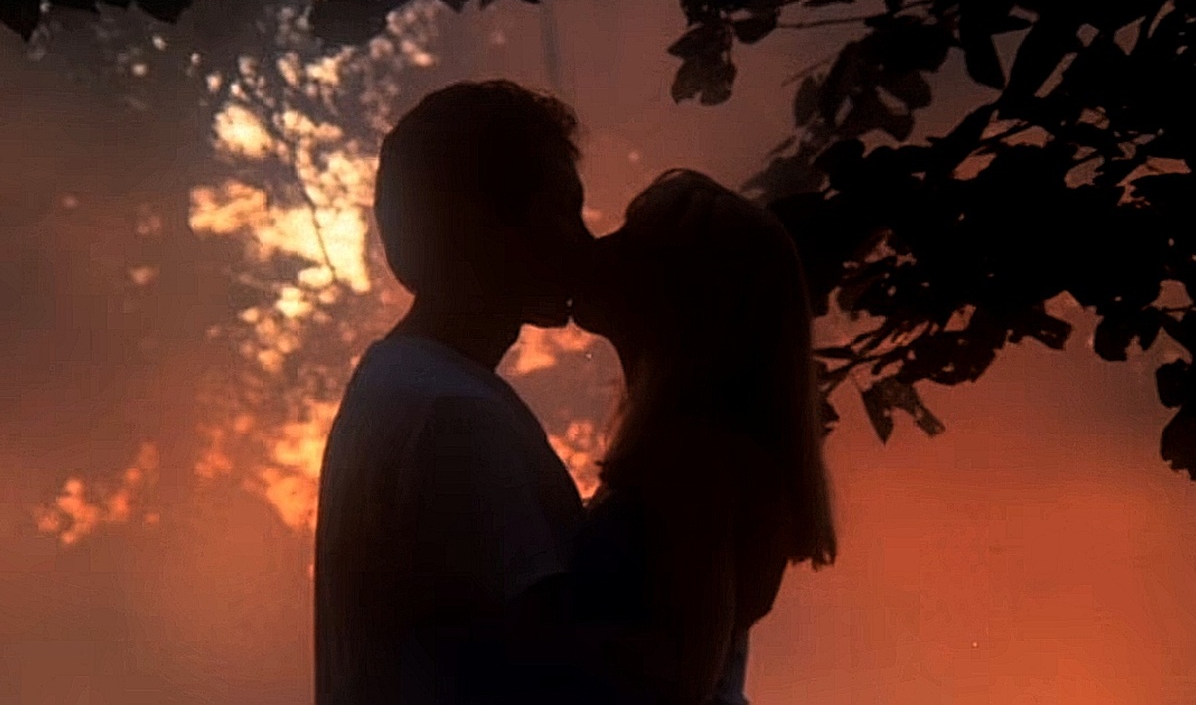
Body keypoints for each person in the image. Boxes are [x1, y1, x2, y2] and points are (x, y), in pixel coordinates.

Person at [313, 80, 597, 705]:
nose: (584, 243)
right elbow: (571, 674)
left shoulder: (397, 385)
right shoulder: (456, 416)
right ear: (480, 226)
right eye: (562, 212)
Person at [571, 169, 839, 705]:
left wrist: (506, 631)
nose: (600, 249)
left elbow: (684, 673)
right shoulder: (702, 452)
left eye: (634, 243)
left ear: (685, 297)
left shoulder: (693, 460)